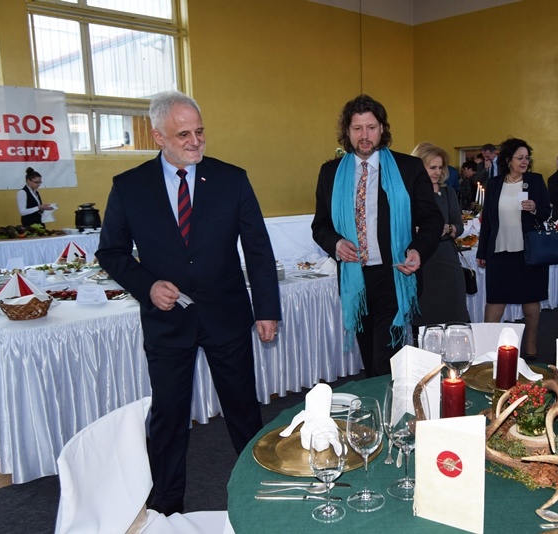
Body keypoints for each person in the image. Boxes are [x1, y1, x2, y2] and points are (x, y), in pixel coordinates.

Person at [95, 91, 281, 515]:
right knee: (169, 415)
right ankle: (166, 503)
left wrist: (267, 310)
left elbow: (257, 248)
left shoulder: (231, 179)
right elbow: (111, 252)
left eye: (199, 131)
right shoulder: (129, 187)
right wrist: (147, 285)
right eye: (184, 135)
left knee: (243, 408)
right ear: (158, 136)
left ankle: (260, 488)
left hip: (226, 315)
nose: (196, 141)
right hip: (166, 322)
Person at [311, 94, 443, 377]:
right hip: (355, 280)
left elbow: (432, 220)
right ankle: (381, 400)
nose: (365, 135)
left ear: (382, 128)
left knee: (385, 360)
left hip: (394, 274)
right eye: (357, 128)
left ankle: (390, 400)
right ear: (347, 132)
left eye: (371, 127)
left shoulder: (408, 168)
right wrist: (335, 243)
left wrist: (418, 250)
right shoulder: (330, 173)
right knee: (370, 357)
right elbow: (320, 225)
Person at [476, 138, 550, 360]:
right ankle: (487, 348)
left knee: (531, 298)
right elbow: (488, 220)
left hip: (529, 251)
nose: (524, 161)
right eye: (520, 158)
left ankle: (531, 346)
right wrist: (482, 251)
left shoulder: (535, 181)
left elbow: (546, 212)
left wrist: (535, 208)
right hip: (499, 250)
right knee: (495, 299)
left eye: (527, 158)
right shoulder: (495, 183)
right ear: (508, 160)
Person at [410, 142, 470, 327]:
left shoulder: (447, 192)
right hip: (422, 259)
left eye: (440, 167)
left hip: (446, 257)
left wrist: (449, 228)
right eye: (432, 167)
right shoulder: (409, 194)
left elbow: (459, 226)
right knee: (426, 313)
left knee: (454, 311)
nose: (437, 172)